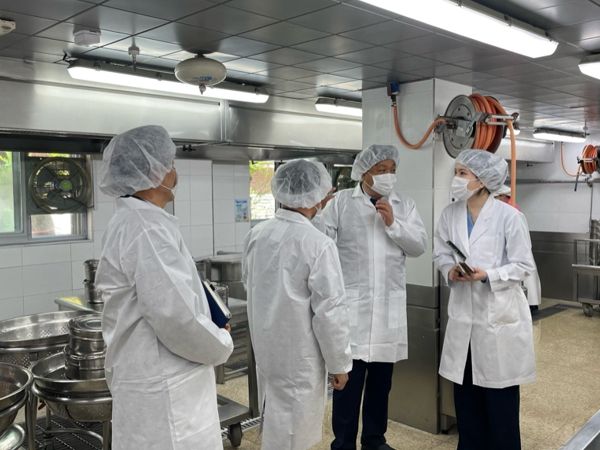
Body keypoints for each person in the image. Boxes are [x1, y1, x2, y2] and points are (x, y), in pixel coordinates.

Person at [95, 125, 234, 450]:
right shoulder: (146, 228)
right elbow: (176, 317)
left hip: (152, 381)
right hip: (165, 389)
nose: (174, 172)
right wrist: (221, 341)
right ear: (153, 172)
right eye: (170, 163)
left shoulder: (137, 222)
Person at [314, 144, 427, 450]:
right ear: (364, 172)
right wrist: (318, 211)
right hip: (353, 311)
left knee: (381, 385)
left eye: (392, 170)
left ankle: (374, 440)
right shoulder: (341, 203)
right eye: (381, 170)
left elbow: (418, 245)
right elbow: (320, 243)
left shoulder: (404, 205)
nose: (388, 175)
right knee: (348, 387)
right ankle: (343, 443)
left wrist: (394, 224)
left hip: (388, 312)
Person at [242, 159, 352, 450]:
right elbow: (330, 312)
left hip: (267, 348)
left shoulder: (258, 234)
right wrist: (339, 364)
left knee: (275, 419)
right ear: (316, 196)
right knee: (294, 431)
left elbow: (249, 283)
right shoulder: (317, 243)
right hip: (300, 356)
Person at [434, 149, 537, 450]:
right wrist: (450, 269)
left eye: (462, 173)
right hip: (463, 324)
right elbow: (441, 252)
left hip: (498, 324)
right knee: (467, 409)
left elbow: (523, 266)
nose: (456, 178)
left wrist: (488, 275)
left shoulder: (509, 217)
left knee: (500, 409)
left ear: (482, 180)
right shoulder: (450, 214)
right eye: (456, 172)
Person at [494, 185, 541, 312]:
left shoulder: (514, 214)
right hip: (517, 255)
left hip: (520, 255)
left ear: (503, 197)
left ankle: (531, 305)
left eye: (497, 198)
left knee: (527, 282)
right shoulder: (503, 213)